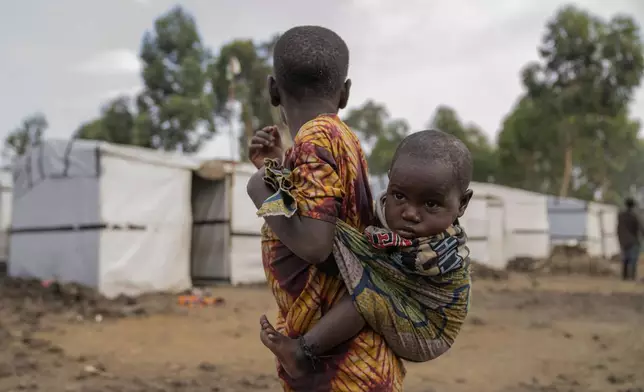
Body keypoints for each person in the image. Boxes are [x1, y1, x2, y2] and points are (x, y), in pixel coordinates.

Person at [245, 26, 404, 391]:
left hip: (340, 365)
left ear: (272, 89)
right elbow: (318, 210)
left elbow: (316, 244)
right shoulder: (341, 139)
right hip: (351, 359)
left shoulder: (315, 138)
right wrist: (274, 169)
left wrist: (262, 194)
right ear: (345, 93)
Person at [255, 130, 473, 377]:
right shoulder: (385, 212)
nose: (410, 213)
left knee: (366, 294)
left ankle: (302, 352)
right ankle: (279, 178)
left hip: (429, 329)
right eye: (399, 196)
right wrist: (281, 165)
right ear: (390, 184)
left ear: (462, 204)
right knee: (338, 242)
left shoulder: (443, 250)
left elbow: (364, 255)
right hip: (402, 304)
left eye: (431, 204)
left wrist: (322, 229)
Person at [617, 197, 643, 281]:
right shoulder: (634, 216)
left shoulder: (621, 215)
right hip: (633, 241)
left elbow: (619, 228)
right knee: (633, 260)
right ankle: (632, 277)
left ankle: (624, 276)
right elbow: (640, 227)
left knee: (625, 259)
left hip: (623, 241)